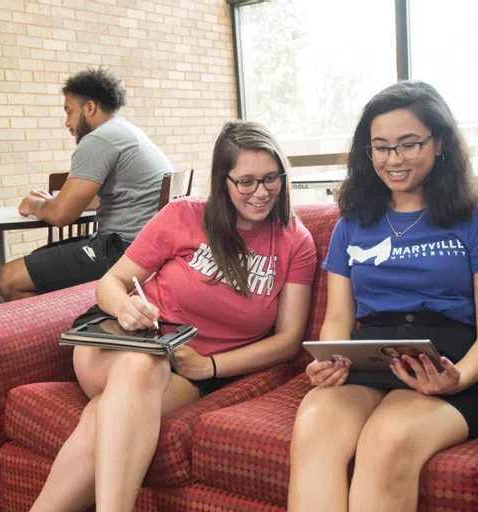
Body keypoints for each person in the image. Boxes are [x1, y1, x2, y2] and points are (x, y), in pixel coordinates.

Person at [30, 120, 317, 512]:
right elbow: (110, 283)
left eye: (271, 179)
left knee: (105, 416)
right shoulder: (184, 215)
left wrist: (209, 366)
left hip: (187, 369)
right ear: (223, 181)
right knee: (140, 368)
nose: (261, 192)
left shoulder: (295, 240)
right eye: (246, 181)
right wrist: (125, 307)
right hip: (120, 343)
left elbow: (287, 341)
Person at [287, 81, 478, 511]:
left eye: (408, 144)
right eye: (380, 147)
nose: (392, 159)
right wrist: (325, 360)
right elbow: (339, 316)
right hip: (369, 358)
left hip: (447, 367)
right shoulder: (352, 225)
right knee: (314, 426)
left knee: (388, 439)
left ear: (441, 144)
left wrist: (458, 378)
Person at [0, 68, 172, 301]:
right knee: (38, 258)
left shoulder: (99, 139)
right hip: (144, 248)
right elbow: (100, 198)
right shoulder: (126, 130)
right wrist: (54, 202)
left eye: (69, 111)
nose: (67, 123)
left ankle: (62, 334)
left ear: (89, 107)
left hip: (123, 250)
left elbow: (61, 217)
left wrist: (34, 205)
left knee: (9, 278)